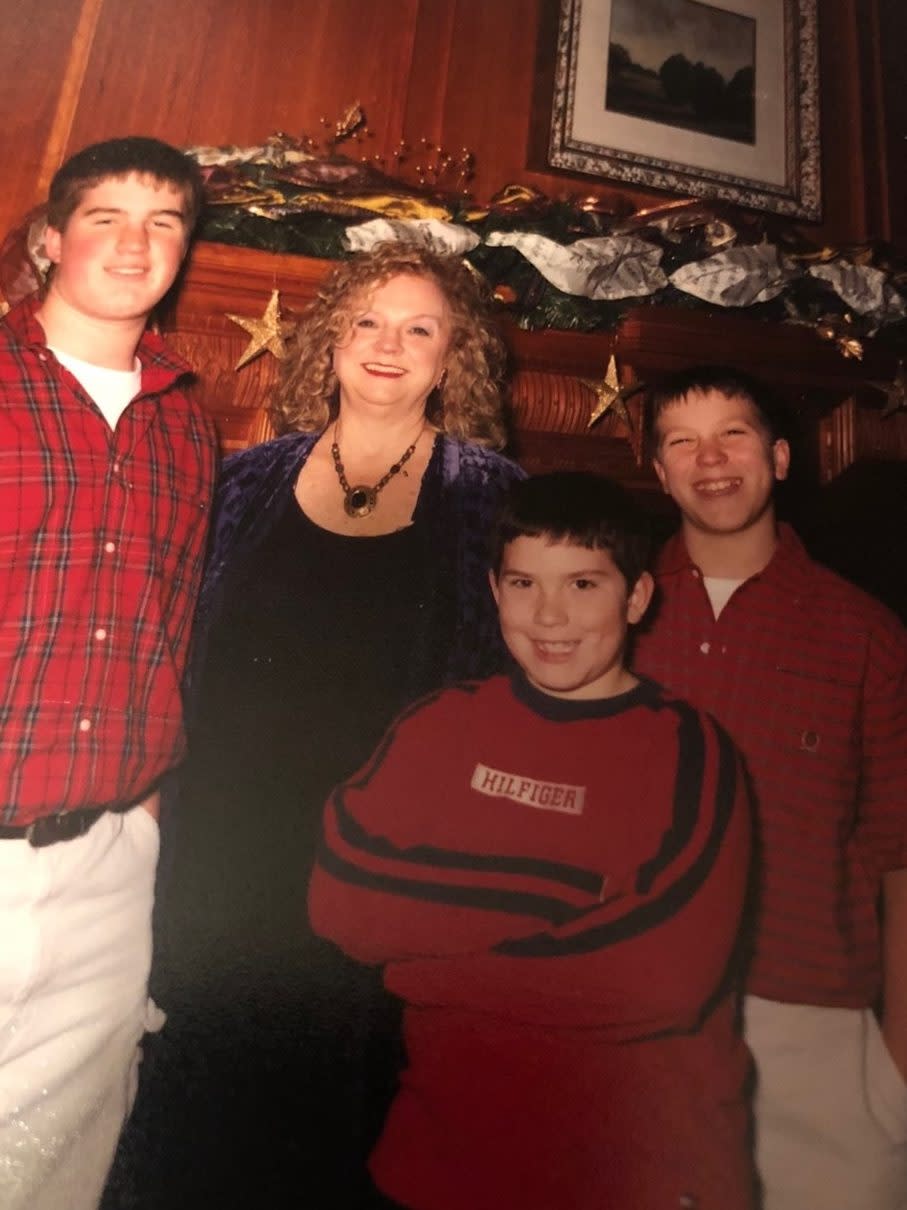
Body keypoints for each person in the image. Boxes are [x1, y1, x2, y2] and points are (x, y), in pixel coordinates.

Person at [138, 243, 525, 1209]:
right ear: (332, 340)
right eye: (368, 321)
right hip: (218, 855)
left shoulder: (495, 498)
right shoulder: (246, 479)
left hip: (386, 872)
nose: (388, 345)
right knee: (194, 1113)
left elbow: (520, 699)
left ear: (454, 357)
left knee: (342, 1129)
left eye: (420, 328)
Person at [309, 471, 755, 1210]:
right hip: (435, 1167)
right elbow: (341, 898)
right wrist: (558, 892)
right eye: (523, 583)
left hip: (638, 1172)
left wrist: (417, 971)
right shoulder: (438, 726)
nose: (549, 616)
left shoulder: (690, 753)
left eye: (583, 585)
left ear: (637, 596)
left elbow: (661, 978)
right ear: (493, 590)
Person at [0, 136, 216, 1210]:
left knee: (54, 1180)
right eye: (106, 217)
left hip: (107, 867)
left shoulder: (189, 422)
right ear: (50, 239)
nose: (136, 245)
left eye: (164, 221)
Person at [633, 365, 907, 1210]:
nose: (709, 459)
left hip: (814, 1029)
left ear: (780, 458)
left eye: (734, 435)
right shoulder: (614, 612)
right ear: (657, 472)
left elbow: (902, 861)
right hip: (641, 1022)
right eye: (681, 441)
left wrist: (898, 1066)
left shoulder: (865, 633)